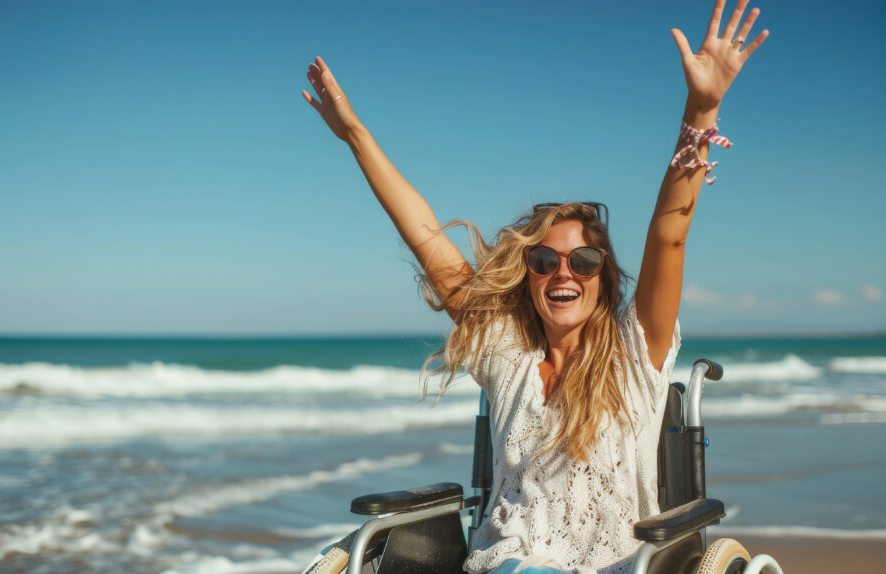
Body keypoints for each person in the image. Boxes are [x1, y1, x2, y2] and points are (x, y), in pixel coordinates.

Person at [302, 1, 768, 572]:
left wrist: (703, 107)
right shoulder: (507, 359)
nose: (564, 272)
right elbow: (426, 238)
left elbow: (670, 234)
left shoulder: (633, 352)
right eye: (545, 260)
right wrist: (356, 136)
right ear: (528, 275)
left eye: (584, 260)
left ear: (605, 275)